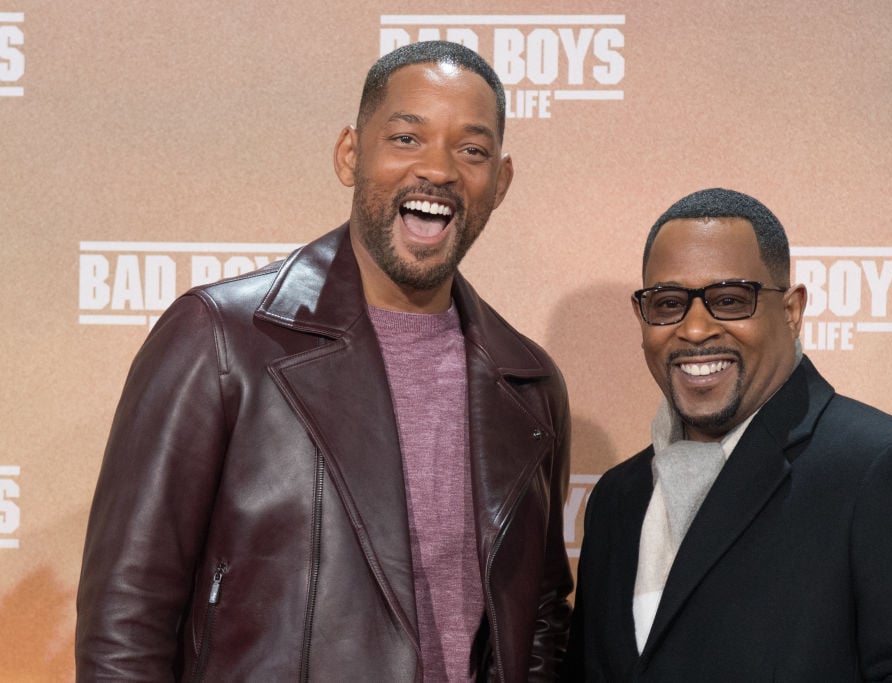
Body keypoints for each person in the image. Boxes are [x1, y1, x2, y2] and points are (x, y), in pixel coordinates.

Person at [76, 41, 572, 681]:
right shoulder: (221, 339)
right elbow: (125, 622)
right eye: (406, 139)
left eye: (471, 150)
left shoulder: (527, 385)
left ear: (499, 184)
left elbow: (538, 624)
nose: (439, 170)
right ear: (350, 155)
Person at [563, 188, 892, 681]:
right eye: (669, 303)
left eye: (729, 300)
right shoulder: (615, 501)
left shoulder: (887, 473)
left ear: (792, 311)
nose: (694, 330)